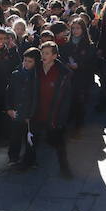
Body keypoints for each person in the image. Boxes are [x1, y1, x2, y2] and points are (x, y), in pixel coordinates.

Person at [28, 41, 73, 177]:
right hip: (38, 110)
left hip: (54, 112)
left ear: (54, 56)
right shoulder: (36, 69)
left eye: (47, 53)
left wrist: (62, 116)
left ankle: (64, 168)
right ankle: (29, 161)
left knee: (59, 142)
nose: (43, 56)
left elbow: (66, 98)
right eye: (42, 53)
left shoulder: (63, 73)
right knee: (32, 139)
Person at [6, 47, 40, 167]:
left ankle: (30, 159)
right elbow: (9, 93)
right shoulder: (16, 74)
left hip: (29, 114)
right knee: (15, 136)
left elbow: (36, 97)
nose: (26, 63)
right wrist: (9, 108)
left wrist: (31, 115)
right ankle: (13, 157)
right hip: (17, 111)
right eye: (25, 60)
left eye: (30, 61)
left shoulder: (37, 77)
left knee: (30, 138)